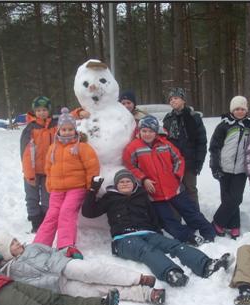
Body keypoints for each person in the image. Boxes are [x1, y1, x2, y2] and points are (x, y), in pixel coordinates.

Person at [82, 168, 232, 287]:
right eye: (121, 182)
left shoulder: (141, 196)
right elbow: (88, 212)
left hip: (148, 232)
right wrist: (93, 190)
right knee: (147, 251)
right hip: (123, 239)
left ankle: (206, 265)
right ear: (116, 185)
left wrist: (158, 233)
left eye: (128, 181)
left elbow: (153, 215)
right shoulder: (110, 198)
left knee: (174, 245)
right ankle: (171, 273)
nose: (125, 184)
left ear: (134, 183)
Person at [0, 233, 166, 305]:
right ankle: (147, 295)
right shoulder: (7, 272)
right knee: (97, 291)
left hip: (65, 266)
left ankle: (138, 278)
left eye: (16, 240)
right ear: (4, 251)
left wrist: (68, 250)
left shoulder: (33, 247)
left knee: (97, 271)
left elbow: (54, 251)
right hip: (58, 286)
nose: (18, 243)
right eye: (13, 244)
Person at [123, 115, 216, 246]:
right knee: (168, 221)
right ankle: (189, 237)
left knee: (190, 211)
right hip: (154, 194)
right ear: (139, 131)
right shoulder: (132, 148)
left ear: (156, 132)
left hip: (174, 188)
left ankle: (208, 232)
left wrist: (176, 176)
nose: (147, 134)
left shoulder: (165, 144)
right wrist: (143, 179)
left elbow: (179, 159)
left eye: (150, 131)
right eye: (144, 131)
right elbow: (130, 167)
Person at [33, 107, 99, 249]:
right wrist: (49, 184)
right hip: (57, 189)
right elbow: (48, 168)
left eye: (70, 129)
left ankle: (66, 245)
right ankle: (40, 245)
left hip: (76, 188)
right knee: (52, 215)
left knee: (66, 213)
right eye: (64, 130)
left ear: (75, 130)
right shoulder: (53, 148)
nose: (67, 132)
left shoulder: (81, 147)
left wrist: (90, 187)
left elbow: (92, 167)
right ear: (59, 131)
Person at [209, 95, 250, 239]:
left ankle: (217, 222)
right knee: (227, 199)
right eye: (237, 109)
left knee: (235, 199)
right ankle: (234, 225)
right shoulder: (224, 126)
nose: (240, 111)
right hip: (224, 168)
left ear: (246, 110)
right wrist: (215, 166)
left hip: (241, 170)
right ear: (232, 110)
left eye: (242, 109)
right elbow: (214, 148)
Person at [162, 87, 207, 209]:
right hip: (173, 162)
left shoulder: (193, 117)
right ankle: (176, 218)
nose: (173, 101)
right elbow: (163, 140)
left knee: (190, 189)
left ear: (183, 100)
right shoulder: (168, 118)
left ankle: (195, 218)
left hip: (189, 161)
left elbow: (201, 141)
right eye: (170, 99)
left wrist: (199, 161)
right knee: (174, 189)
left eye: (176, 98)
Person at [20, 96, 57, 233]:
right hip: (33, 171)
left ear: (49, 110)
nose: (41, 113)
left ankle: (46, 220)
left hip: (50, 171)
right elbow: (26, 153)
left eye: (44, 109)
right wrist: (29, 173)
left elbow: (69, 119)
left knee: (49, 199)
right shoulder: (30, 129)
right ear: (34, 111)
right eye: (38, 110)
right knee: (32, 197)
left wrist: (78, 113)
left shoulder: (55, 125)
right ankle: (35, 221)